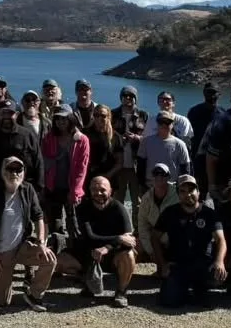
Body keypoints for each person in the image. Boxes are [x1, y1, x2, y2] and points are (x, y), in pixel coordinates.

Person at [0, 157, 55, 311]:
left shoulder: (28, 190)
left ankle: (34, 294)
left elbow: (39, 216)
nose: (14, 173)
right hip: (1, 253)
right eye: (10, 169)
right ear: (2, 172)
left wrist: (41, 243)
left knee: (49, 259)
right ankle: (2, 286)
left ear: (23, 173)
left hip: (22, 246)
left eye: (18, 170)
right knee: (1, 302)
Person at [152, 175, 226, 308]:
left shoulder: (209, 213)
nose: (188, 194)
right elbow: (154, 237)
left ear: (198, 191)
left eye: (191, 190)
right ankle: (183, 290)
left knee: (216, 278)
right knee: (169, 302)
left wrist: (219, 261)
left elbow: (221, 239)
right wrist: (162, 263)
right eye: (183, 191)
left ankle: (201, 288)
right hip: (178, 264)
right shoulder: (170, 213)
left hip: (203, 263)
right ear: (178, 194)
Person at [71, 176, 135, 307]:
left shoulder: (119, 208)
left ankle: (121, 292)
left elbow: (129, 239)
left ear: (110, 191)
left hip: (112, 254)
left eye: (102, 190)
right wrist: (118, 238)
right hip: (90, 253)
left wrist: (107, 247)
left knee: (129, 255)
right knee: (60, 261)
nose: (98, 193)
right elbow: (90, 237)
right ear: (89, 191)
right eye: (94, 189)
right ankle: (88, 281)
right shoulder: (82, 208)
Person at [39, 105, 89, 245]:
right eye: (58, 119)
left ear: (71, 119)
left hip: (71, 187)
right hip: (53, 185)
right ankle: (57, 248)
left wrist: (76, 191)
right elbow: (43, 160)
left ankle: (75, 248)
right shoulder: (50, 138)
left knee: (73, 221)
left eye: (64, 118)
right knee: (54, 220)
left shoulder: (81, 140)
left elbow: (81, 168)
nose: (61, 122)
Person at [110, 86, 150, 209]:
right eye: (125, 95)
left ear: (135, 98)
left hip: (136, 165)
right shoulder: (112, 114)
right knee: (117, 200)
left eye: (131, 96)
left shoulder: (143, 115)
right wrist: (117, 139)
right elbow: (106, 134)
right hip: (118, 164)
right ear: (121, 97)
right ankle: (118, 227)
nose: (128, 98)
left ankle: (138, 228)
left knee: (137, 201)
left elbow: (150, 138)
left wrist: (138, 139)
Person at [138, 110, 193, 192]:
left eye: (167, 122)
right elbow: (140, 165)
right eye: (161, 122)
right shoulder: (146, 142)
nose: (164, 125)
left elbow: (186, 169)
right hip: (150, 186)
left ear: (172, 125)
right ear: (157, 123)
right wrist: (142, 184)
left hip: (172, 187)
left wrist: (181, 187)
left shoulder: (180, 144)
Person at [136, 163, 176, 259]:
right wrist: (151, 250)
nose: (159, 177)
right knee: (136, 245)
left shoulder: (177, 194)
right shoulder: (146, 198)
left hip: (174, 238)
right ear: (152, 178)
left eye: (163, 174)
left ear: (168, 177)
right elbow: (142, 226)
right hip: (154, 239)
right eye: (156, 174)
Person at [186, 83, 222, 171]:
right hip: (197, 157)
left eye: (214, 92)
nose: (211, 95)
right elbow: (189, 135)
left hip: (217, 158)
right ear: (203, 93)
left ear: (219, 95)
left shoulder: (223, 115)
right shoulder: (193, 112)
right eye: (208, 92)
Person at [85, 104, 123, 184]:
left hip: (108, 179)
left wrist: (107, 175)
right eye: (96, 115)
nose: (99, 118)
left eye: (103, 115)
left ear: (109, 117)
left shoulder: (115, 137)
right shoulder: (86, 134)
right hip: (88, 177)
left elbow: (119, 162)